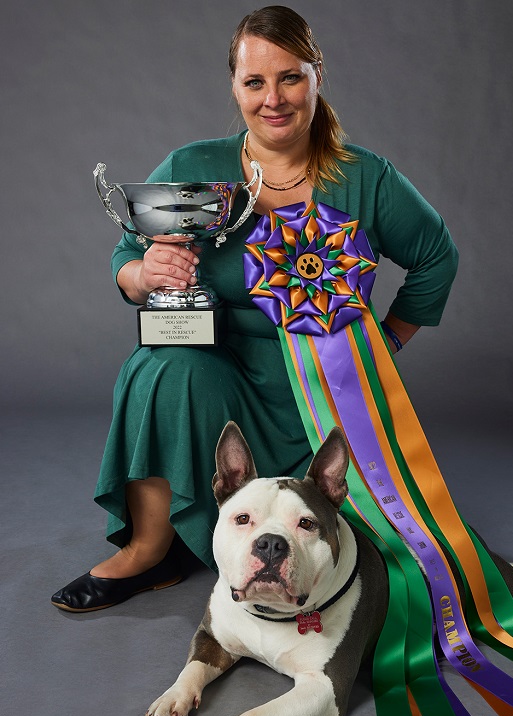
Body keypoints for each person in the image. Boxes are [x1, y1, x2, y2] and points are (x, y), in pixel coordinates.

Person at [51, 5, 458, 612]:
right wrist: (142, 272)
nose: (275, 98)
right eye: (254, 82)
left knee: (376, 569)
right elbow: (125, 255)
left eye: (291, 77)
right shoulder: (194, 168)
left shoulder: (365, 178)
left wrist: (385, 345)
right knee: (162, 366)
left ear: (317, 75)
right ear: (235, 87)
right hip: (221, 375)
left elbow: (436, 258)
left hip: (323, 392)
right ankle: (150, 549)